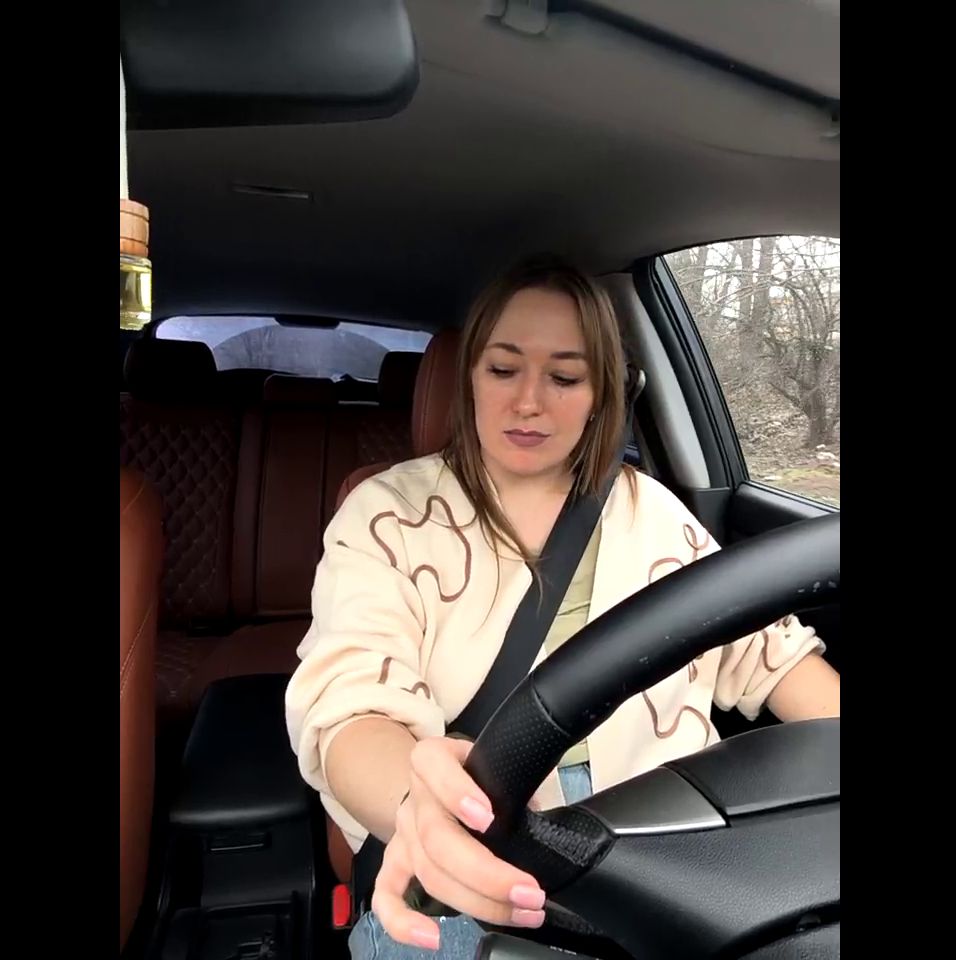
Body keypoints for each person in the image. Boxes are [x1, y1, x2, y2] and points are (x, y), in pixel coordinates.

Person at [285, 254, 840, 959]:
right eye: (503, 369)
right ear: (468, 379)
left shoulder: (655, 514)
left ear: (602, 393)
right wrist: (418, 808)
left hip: (661, 840)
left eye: (566, 377)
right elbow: (349, 703)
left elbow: (772, 657)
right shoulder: (387, 514)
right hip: (470, 840)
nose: (528, 402)